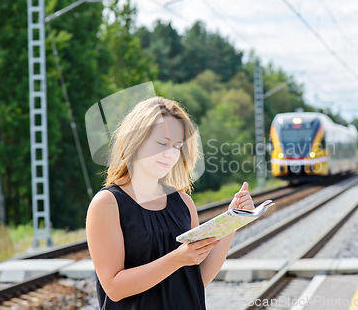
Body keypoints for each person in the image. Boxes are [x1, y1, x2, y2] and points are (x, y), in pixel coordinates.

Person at [86, 96, 255, 309]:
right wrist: (178, 259)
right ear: (135, 139)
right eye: (161, 143)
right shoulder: (107, 204)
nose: (171, 154)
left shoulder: (183, 202)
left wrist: (233, 221)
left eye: (177, 146)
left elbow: (195, 280)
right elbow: (114, 288)